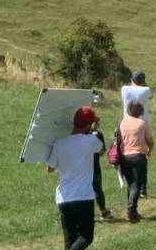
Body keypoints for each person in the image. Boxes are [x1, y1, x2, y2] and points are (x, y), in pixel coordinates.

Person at [48, 106, 105, 250]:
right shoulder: (91, 140)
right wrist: (92, 131)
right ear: (88, 125)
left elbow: (50, 168)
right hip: (83, 196)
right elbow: (102, 149)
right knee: (86, 237)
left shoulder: (59, 143)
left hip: (64, 197)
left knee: (70, 241)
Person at [118, 100, 154, 223]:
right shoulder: (142, 123)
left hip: (124, 156)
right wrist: (150, 149)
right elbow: (149, 139)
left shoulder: (123, 122)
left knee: (131, 184)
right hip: (138, 156)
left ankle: (133, 209)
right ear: (140, 111)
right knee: (136, 185)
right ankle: (131, 210)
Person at [91, 121, 114, 221]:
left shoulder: (80, 135)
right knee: (97, 190)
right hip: (94, 167)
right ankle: (103, 211)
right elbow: (101, 151)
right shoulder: (98, 134)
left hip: (81, 169)